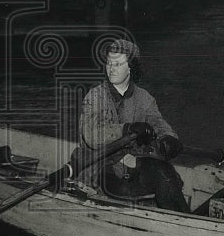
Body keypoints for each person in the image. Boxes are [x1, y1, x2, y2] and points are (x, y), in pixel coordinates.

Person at [77, 38, 189, 211]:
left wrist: (169, 137)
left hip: (131, 161)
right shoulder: (95, 97)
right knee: (126, 187)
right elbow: (92, 135)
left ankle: (182, 218)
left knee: (166, 174)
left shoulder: (144, 98)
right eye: (109, 63)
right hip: (97, 164)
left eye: (118, 64)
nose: (111, 69)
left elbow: (157, 122)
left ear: (131, 68)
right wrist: (126, 129)